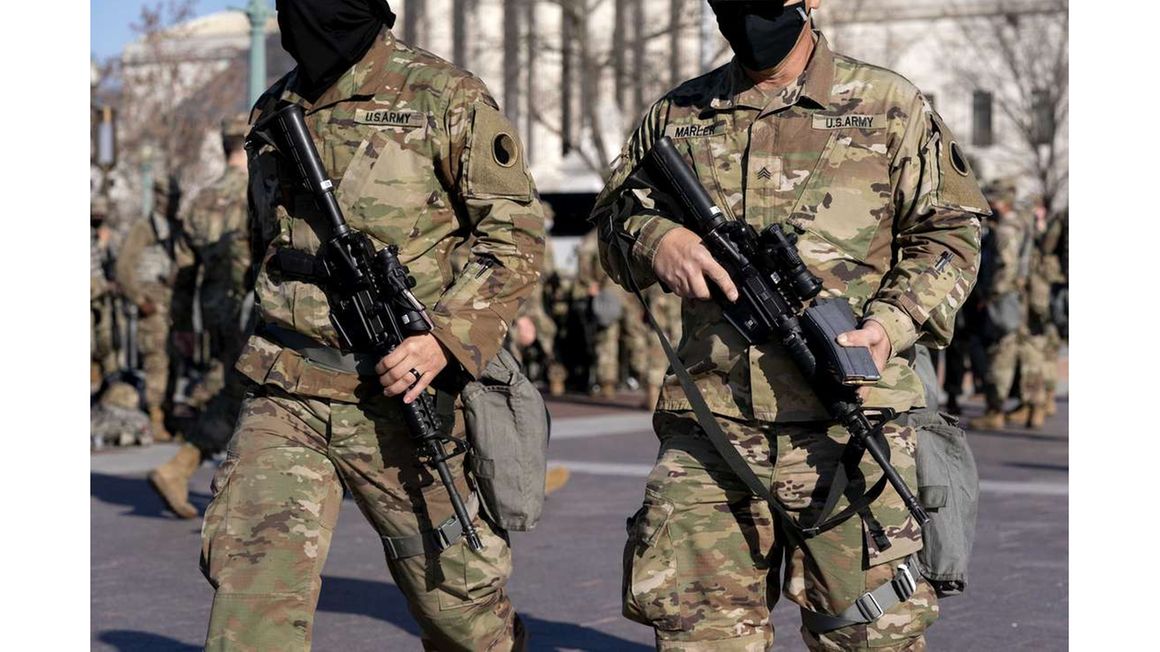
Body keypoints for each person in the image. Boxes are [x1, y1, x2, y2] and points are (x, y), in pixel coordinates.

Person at [590, 1, 985, 649]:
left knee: (871, 638)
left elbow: (951, 235)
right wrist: (657, 241)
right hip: (714, 432)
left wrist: (891, 325)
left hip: (851, 429)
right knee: (699, 639)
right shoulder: (678, 114)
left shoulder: (889, 105)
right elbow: (613, 222)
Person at [199, 2, 544, 649]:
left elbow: (515, 237)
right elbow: (263, 244)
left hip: (403, 392)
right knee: (251, 598)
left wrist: (443, 340)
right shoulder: (274, 111)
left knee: (460, 614)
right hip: (288, 389)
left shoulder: (444, 95)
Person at [149, 115, 253, 519]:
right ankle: (186, 469)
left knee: (234, 387)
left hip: (213, 312)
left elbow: (184, 273)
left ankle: (191, 469)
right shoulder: (258, 191)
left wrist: (184, 327)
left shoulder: (201, 200)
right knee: (246, 393)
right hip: (251, 309)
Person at [115, 175, 183, 441]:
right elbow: (124, 267)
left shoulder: (176, 227)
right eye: (169, 197)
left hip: (173, 302)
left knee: (175, 361)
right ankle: (156, 419)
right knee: (157, 361)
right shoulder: (143, 228)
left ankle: (169, 415)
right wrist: (140, 299)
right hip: (152, 302)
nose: (173, 203)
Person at [968, 181, 1037, 430]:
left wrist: (992, 295)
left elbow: (1006, 266)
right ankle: (1029, 405)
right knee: (1016, 349)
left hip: (1003, 298)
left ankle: (994, 410)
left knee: (1000, 352)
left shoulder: (1005, 229)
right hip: (1014, 296)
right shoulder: (1019, 224)